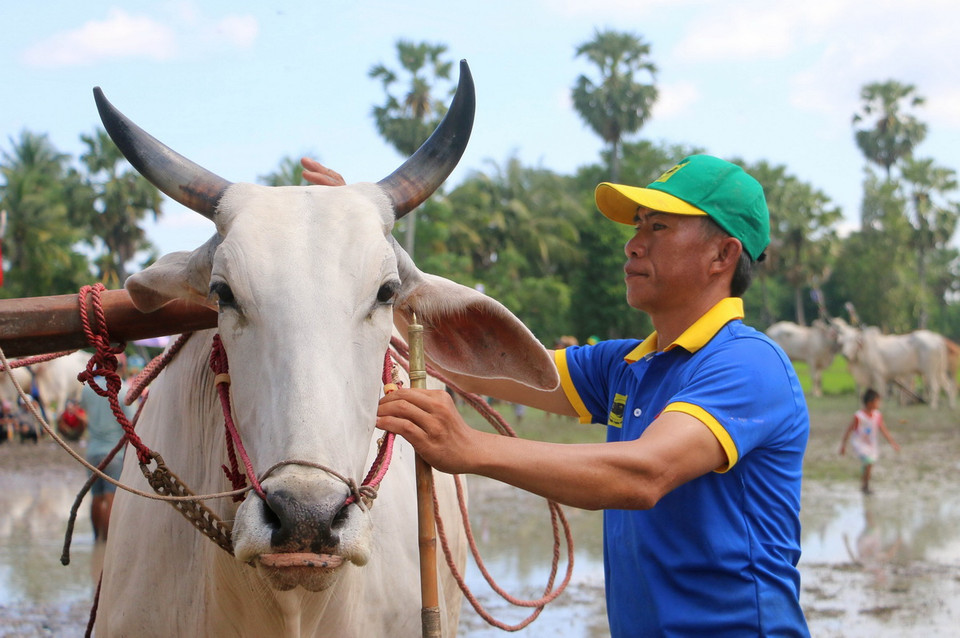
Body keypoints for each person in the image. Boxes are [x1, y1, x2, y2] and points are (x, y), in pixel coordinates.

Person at [303, 154, 811, 636]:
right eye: (637, 226)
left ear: (723, 255)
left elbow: (644, 474)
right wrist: (367, 249)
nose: (633, 245)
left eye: (659, 227)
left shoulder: (748, 363)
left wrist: (470, 447)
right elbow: (484, 363)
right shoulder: (628, 364)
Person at [81, 354, 138, 541]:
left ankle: (96, 539)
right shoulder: (123, 390)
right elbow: (133, 422)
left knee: (96, 498)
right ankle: (107, 544)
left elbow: (85, 410)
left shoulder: (89, 389)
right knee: (111, 499)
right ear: (117, 367)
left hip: (92, 453)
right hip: (115, 454)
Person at [839, 388, 899, 494]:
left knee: (869, 465)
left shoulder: (877, 415)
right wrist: (843, 445)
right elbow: (849, 430)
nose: (879, 404)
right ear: (870, 402)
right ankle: (865, 486)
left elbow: (883, 430)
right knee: (868, 463)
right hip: (860, 444)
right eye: (877, 401)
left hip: (871, 445)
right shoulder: (859, 416)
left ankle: (865, 484)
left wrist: (893, 443)